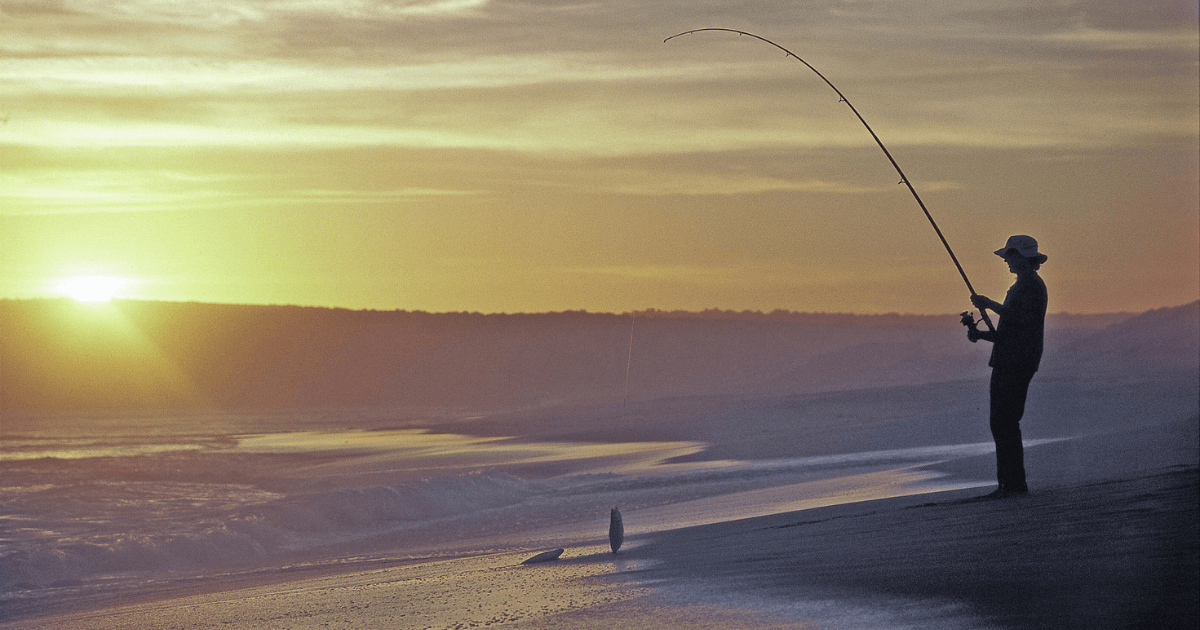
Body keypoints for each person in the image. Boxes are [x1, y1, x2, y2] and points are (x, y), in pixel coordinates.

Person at [967, 235, 1048, 498]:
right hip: (1009, 359)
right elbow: (1010, 331)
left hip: (1017, 361)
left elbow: (1022, 321)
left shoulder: (1032, 287)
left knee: (1005, 422)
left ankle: (1013, 484)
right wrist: (980, 335)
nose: (1006, 261)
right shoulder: (1021, 286)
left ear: (1021, 257)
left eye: (1009, 257)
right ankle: (1009, 483)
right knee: (1001, 422)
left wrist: (989, 304)